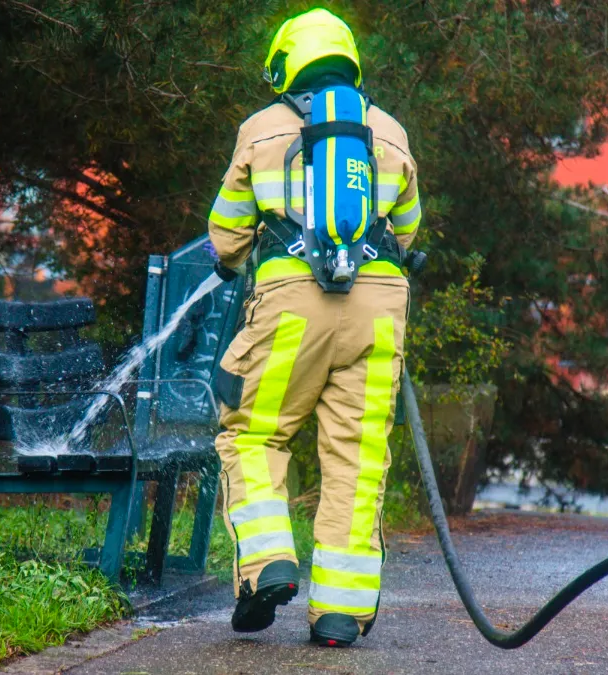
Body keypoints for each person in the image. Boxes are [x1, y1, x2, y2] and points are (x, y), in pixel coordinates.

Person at [206, 7, 422, 648]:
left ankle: (268, 562)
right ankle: (338, 614)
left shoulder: (261, 129)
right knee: (356, 459)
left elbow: (225, 234)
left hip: (291, 307)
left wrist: (241, 259)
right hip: (379, 311)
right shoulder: (390, 132)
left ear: (283, 64)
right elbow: (407, 232)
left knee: (253, 435)